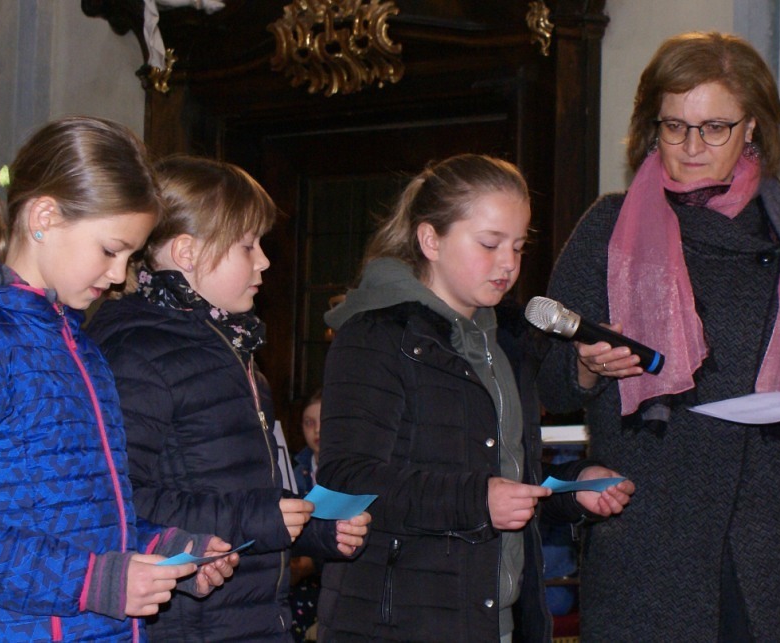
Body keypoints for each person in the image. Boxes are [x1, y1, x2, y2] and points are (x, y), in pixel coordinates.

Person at [537, 32, 780, 641]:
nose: (691, 146)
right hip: (652, 532)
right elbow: (547, 379)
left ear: (751, 126)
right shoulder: (607, 227)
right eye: (674, 126)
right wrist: (586, 366)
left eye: (714, 128)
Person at [0, 116, 235, 641]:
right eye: (110, 250)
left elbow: (77, 521)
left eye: (130, 256)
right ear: (44, 217)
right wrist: (92, 582)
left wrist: (161, 549)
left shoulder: (79, 347)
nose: (120, 275)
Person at [316, 153, 635, 642]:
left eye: (518, 246)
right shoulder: (376, 335)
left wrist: (573, 488)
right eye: (489, 243)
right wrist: (476, 499)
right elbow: (345, 481)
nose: (508, 263)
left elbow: (508, 483)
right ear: (431, 240)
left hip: (494, 622)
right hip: (398, 625)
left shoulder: (505, 341)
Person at [87, 154, 370, 642]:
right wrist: (258, 520)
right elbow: (117, 500)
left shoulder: (231, 348)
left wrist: (315, 527)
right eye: (247, 245)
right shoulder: (139, 353)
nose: (263, 261)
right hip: (190, 625)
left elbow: (240, 488)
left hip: (252, 616)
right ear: (187, 252)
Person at [289, 388, 323, 642]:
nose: (317, 430)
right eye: (309, 423)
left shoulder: (351, 472)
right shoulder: (293, 471)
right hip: (299, 588)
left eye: (324, 422)